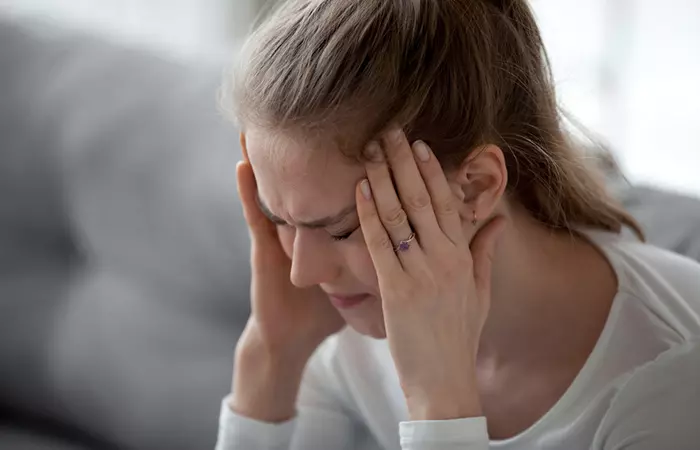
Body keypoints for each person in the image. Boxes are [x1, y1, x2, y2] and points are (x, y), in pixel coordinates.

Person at [215, 0, 700, 449]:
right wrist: (271, 354)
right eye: (279, 218)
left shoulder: (667, 376)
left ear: (474, 187)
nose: (303, 273)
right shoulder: (347, 329)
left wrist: (440, 402)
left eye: (343, 229)